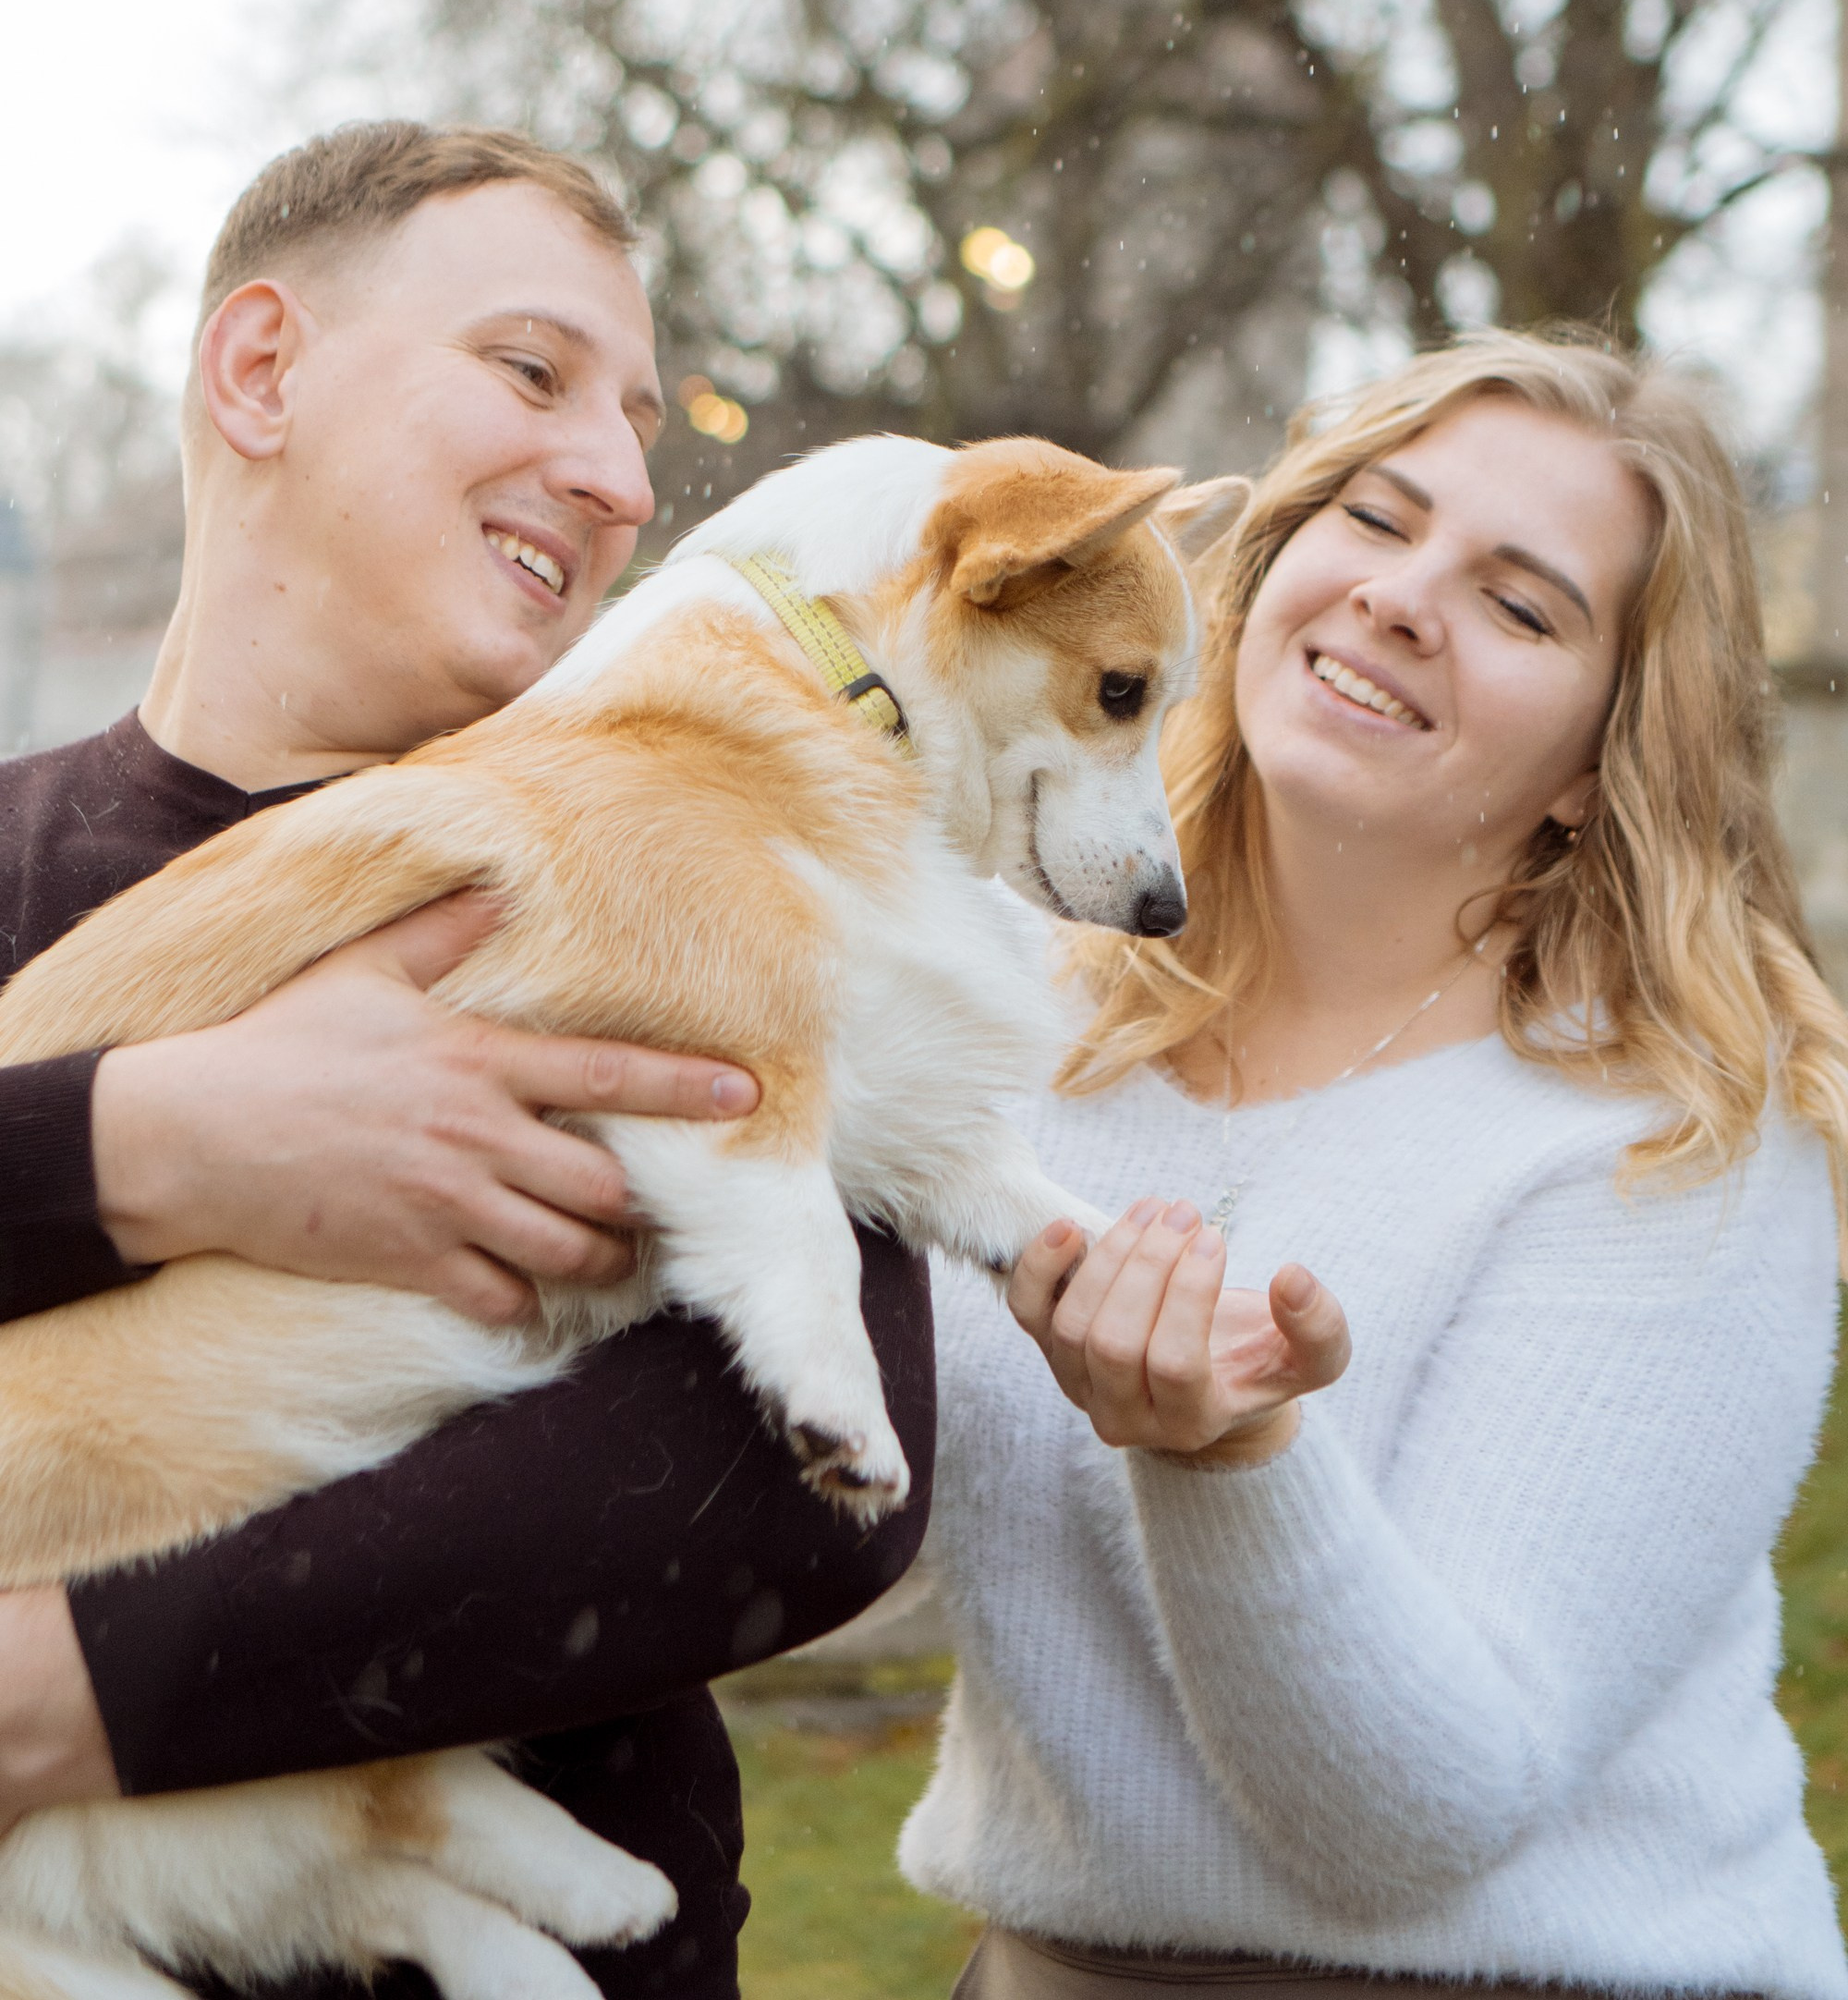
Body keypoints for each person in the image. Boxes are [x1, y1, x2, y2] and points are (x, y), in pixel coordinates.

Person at [0, 120, 934, 2000]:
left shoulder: (686, 855)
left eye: (638, 427)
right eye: (531, 371)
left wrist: (51, 1693)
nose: (607, 476)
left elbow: (793, 1483)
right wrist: (149, 1144)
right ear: (262, 369)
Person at [907, 332, 1848, 2000]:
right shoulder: (998, 1002)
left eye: (1521, 605)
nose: (1404, 598)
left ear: (1596, 765)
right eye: (1377, 517)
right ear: (1264, 567)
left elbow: (1417, 1821)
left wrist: (1235, 1453)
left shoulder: (1673, 1141)